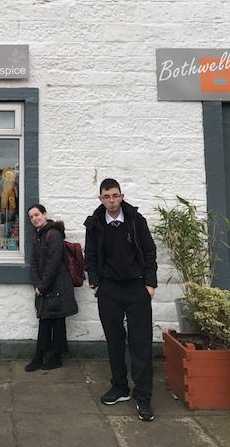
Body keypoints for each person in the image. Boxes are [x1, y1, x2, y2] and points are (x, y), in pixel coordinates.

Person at [84, 178, 157, 422]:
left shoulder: (136, 220)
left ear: (122, 196)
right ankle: (120, 387)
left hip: (136, 287)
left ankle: (143, 396)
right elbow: (90, 255)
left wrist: (150, 283)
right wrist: (95, 283)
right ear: (100, 199)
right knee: (114, 341)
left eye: (115, 196)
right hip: (109, 289)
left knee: (140, 343)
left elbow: (149, 251)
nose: (111, 201)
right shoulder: (94, 223)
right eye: (106, 197)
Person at [25, 204, 78, 372]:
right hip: (46, 285)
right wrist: (37, 284)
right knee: (45, 320)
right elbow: (34, 262)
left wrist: (41, 286)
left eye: (37, 215)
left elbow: (53, 263)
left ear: (45, 214)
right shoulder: (37, 236)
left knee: (57, 321)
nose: (34, 219)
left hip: (59, 284)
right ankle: (42, 356)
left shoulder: (53, 234)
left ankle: (54, 358)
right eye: (31, 217)